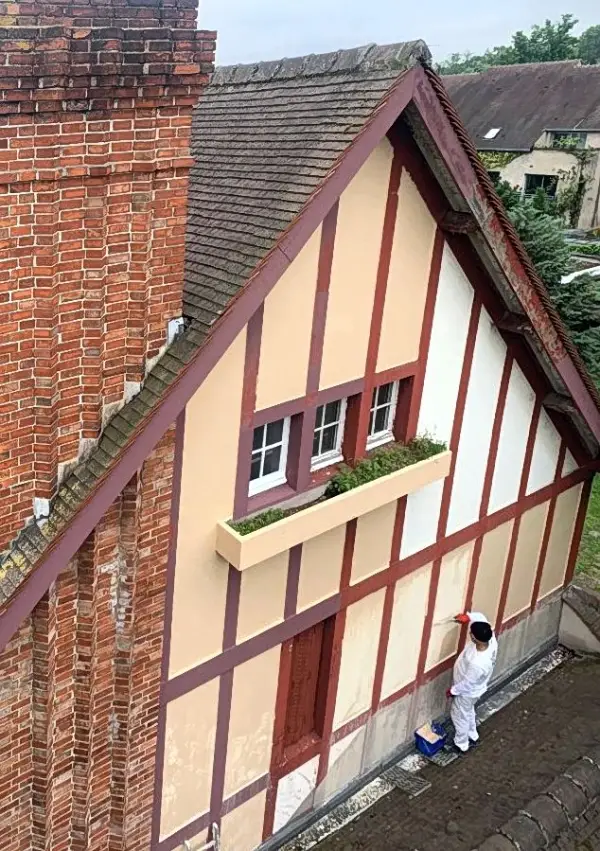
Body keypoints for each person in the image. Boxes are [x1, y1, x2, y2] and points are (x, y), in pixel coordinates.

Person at [445, 611, 497, 754]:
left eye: (471, 633)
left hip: (467, 693)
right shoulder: (491, 640)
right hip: (476, 691)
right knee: (468, 711)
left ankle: (461, 743)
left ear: (476, 639)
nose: (470, 634)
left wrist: (453, 690)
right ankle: (472, 734)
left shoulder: (477, 663)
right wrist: (468, 617)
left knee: (459, 715)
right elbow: (481, 618)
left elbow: (467, 683)